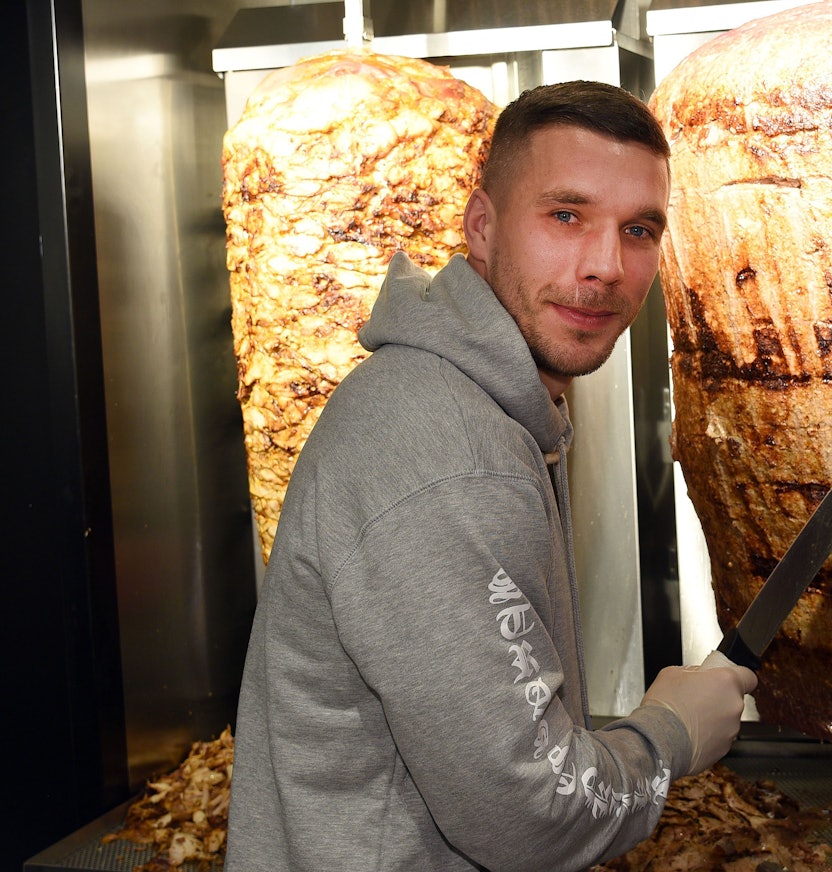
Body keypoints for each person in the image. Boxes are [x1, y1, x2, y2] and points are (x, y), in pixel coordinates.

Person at [225, 80, 757, 872]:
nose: (606, 267)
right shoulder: (451, 455)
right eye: (565, 215)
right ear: (482, 226)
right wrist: (666, 736)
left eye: (638, 229)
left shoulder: (484, 409)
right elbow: (526, 819)